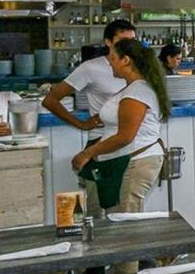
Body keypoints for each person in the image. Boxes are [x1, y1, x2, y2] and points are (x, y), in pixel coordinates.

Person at [44, 19, 137, 209]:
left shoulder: (139, 67)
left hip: (133, 144)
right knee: (98, 207)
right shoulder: (91, 68)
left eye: (132, 41)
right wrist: (81, 124)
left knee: (126, 209)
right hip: (101, 142)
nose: (128, 46)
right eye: (122, 41)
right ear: (108, 42)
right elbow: (50, 100)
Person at [70, 39, 171, 213]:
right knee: (116, 216)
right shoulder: (134, 88)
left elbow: (125, 137)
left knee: (124, 220)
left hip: (135, 161)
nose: (110, 63)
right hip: (126, 160)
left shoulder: (137, 92)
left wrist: (88, 153)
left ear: (126, 60)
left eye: (113, 58)